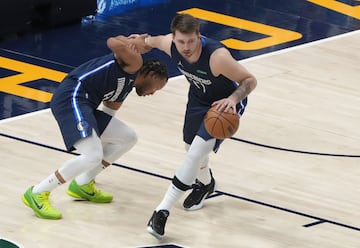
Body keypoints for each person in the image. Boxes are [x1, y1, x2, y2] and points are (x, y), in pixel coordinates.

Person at [129, 13, 257, 239]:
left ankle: (162, 211)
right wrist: (139, 42)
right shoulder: (170, 44)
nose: (186, 47)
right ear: (175, 39)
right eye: (181, 42)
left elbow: (249, 80)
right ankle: (206, 184)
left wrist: (233, 100)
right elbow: (151, 41)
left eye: (191, 41)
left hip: (224, 106)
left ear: (199, 36)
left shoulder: (217, 57)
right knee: (190, 148)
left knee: (195, 154)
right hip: (198, 98)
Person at [21, 35, 168, 220]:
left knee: (127, 138)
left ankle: (82, 183)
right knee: (92, 155)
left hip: (85, 106)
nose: (152, 93)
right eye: (156, 87)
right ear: (150, 75)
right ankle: (38, 192)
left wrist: (98, 139)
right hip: (71, 96)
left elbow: (108, 115)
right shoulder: (135, 63)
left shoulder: (124, 90)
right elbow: (112, 42)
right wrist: (133, 43)